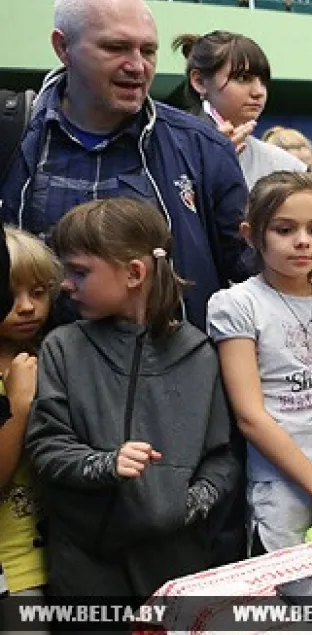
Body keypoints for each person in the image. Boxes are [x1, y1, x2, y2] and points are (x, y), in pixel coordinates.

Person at [26, 198, 239, 600]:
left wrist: (184, 506)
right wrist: (104, 464)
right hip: (85, 568)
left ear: (135, 273)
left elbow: (222, 457)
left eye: (79, 271)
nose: (65, 285)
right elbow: (46, 446)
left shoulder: (198, 352)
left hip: (175, 565)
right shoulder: (62, 348)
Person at [0, 0, 253, 332]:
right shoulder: (11, 134)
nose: (137, 66)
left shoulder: (203, 147)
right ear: (63, 47)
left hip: (169, 374)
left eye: (148, 51)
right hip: (33, 376)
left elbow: (245, 270)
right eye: (116, 47)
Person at [207, 172, 312, 555]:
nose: (303, 241)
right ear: (252, 234)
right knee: (292, 604)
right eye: (285, 230)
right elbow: (251, 416)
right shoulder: (237, 305)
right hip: (283, 485)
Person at [0, 228, 59, 622]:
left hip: (58, 557)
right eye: (11, 295)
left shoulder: (53, 358)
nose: (26, 307)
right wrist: (18, 405)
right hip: (11, 566)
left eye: (38, 293)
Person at [173, 30, 309, 189]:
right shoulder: (167, 150)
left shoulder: (286, 166)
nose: (258, 92)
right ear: (199, 82)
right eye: (243, 78)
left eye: (263, 81)